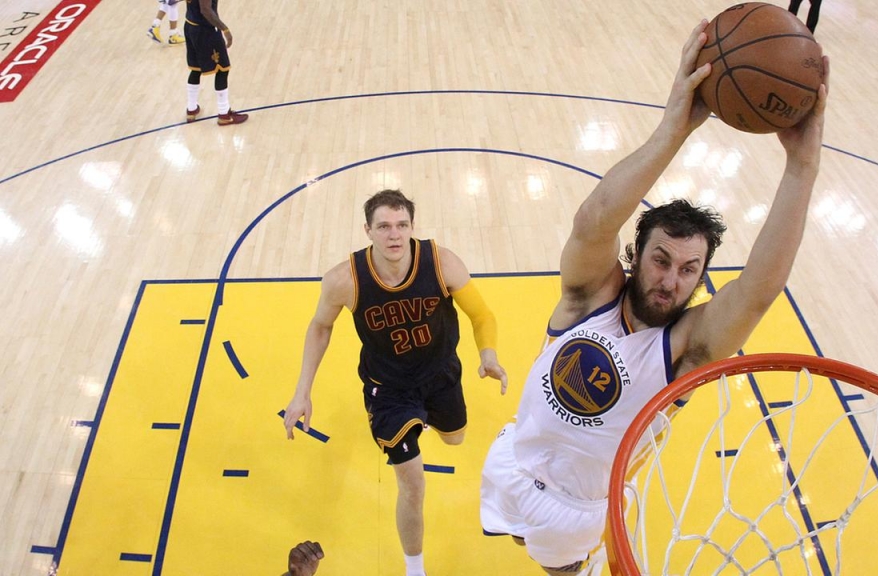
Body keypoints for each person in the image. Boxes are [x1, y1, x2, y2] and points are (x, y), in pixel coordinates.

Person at [479, 19, 829, 576]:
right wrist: (674, 130)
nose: (671, 280)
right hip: (514, 460)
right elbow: (594, 220)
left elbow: (759, 291)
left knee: (557, 569)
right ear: (635, 257)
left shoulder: (686, 348)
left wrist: (802, 165)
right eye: (661, 260)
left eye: (690, 270)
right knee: (517, 539)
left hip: (579, 506)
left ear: (700, 280)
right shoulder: (588, 295)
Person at [284, 189, 509, 576]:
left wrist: (487, 353)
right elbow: (320, 326)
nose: (394, 235)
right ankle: (415, 568)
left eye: (402, 225)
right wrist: (302, 390)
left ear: (412, 227)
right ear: (367, 230)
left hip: (440, 373)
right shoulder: (345, 280)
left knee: (455, 437)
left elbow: (482, 314)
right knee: (413, 484)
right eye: (384, 226)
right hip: (387, 389)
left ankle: (426, 419)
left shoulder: (440, 263)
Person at [183, 0, 247, 125]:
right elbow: (205, 10)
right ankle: (224, 114)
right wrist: (225, 29)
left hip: (190, 25)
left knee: (196, 69)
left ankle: (191, 109)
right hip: (205, 30)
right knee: (222, 69)